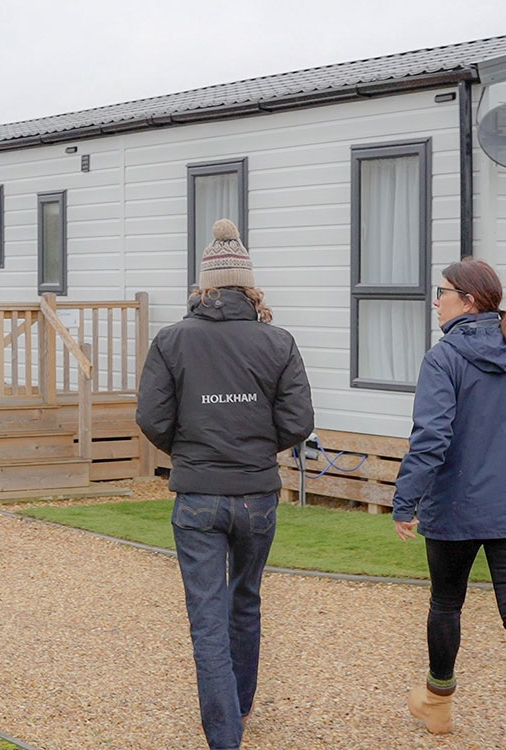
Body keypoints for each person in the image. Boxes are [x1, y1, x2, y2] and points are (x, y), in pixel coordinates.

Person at [136, 219, 314, 750]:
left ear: (204, 287)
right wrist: (258, 448)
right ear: (249, 285)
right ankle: (239, 707)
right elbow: (298, 420)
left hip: (197, 497)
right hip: (257, 494)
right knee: (247, 598)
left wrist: (188, 452)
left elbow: (152, 417)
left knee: (207, 616)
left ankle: (225, 734)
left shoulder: (172, 341)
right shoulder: (278, 341)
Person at [393, 258, 506, 750]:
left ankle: (438, 704)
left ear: (468, 301)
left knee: (447, 603)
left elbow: (431, 438)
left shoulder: (443, 359)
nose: (436, 303)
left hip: (458, 507)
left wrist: (405, 502)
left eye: (442, 293)